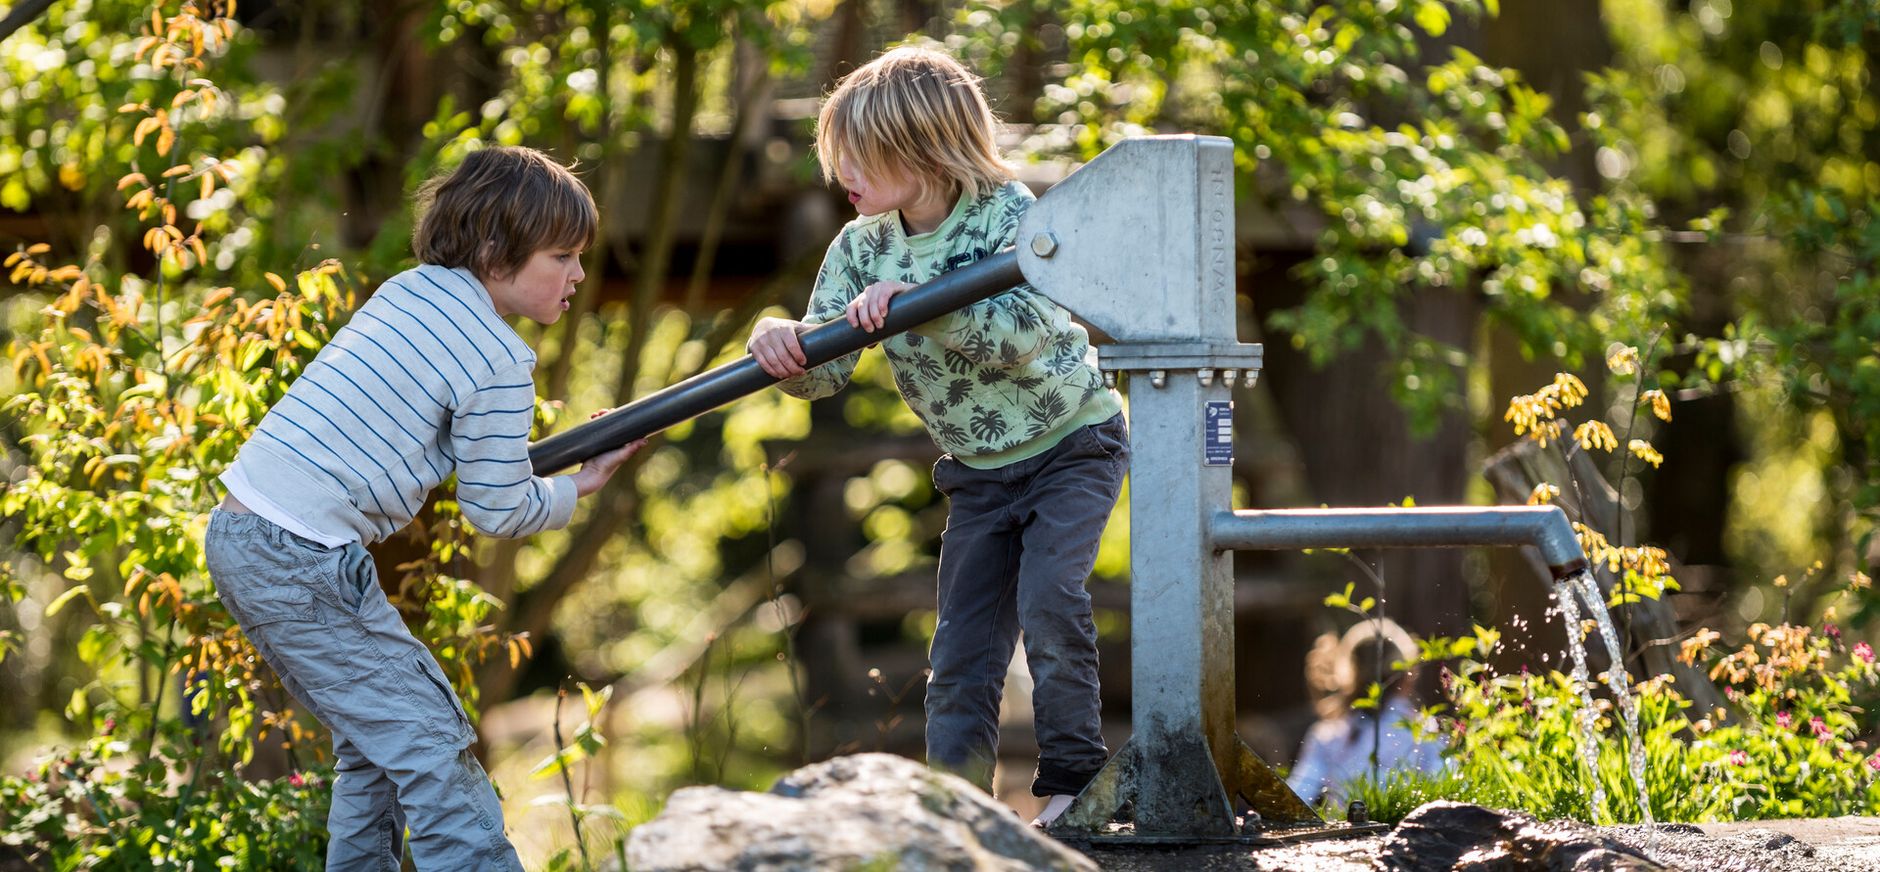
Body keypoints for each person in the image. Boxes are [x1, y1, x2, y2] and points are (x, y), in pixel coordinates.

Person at [204, 145, 644, 870]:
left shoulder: (407, 292)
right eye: (562, 256)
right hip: (298, 555)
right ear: (497, 250)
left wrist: (546, 477)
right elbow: (496, 509)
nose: (578, 275)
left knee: (380, 749)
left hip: (252, 534)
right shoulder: (502, 359)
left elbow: (445, 448)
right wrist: (580, 486)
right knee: (432, 744)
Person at [746, 44, 1128, 828]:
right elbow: (824, 371)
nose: (840, 175)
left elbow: (1021, 336)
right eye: (836, 158)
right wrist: (777, 340)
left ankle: (1072, 784)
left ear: (919, 148)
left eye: (857, 158)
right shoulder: (861, 245)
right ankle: (954, 814)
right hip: (981, 472)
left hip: (1072, 443)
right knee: (959, 654)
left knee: (1052, 599)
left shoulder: (1009, 213)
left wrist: (920, 299)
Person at [1286, 617, 1447, 807]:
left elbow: (1295, 799)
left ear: (1349, 673)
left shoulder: (1328, 736)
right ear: (1408, 675)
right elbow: (1447, 792)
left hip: (1343, 835)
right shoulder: (1426, 733)